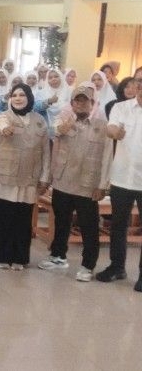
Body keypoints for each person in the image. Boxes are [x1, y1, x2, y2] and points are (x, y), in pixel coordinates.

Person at [38, 83, 111, 282]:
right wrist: (65, 125)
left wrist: (103, 185)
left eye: (84, 100)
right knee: (61, 223)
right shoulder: (63, 121)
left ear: (92, 103)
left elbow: (106, 158)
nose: (80, 104)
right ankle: (58, 257)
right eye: (76, 100)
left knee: (89, 227)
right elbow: (56, 131)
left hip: (88, 185)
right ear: (71, 103)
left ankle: (88, 265)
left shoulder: (102, 127)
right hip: (63, 182)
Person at [0, 83, 50, 271]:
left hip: (29, 179)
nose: (18, 98)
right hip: (7, 178)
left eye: (22, 95)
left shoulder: (40, 120)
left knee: (23, 220)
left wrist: (45, 177)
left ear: (29, 98)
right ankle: (3, 256)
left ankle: (20, 257)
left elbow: (45, 152)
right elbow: (1, 125)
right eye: (14, 95)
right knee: (6, 219)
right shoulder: (4, 116)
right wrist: (5, 129)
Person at [97, 68, 142, 292]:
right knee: (118, 225)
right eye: (140, 81)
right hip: (123, 177)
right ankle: (117, 266)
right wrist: (114, 132)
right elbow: (111, 127)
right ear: (134, 84)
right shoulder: (121, 107)